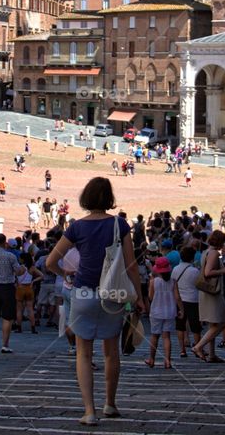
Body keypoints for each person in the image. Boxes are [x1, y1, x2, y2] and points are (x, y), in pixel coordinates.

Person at [46, 177, 146, 426]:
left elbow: (50, 262)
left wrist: (66, 274)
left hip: (82, 294)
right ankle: (110, 404)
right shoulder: (119, 224)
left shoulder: (77, 227)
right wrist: (140, 296)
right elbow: (131, 265)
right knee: (111, 353)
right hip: (112, 295)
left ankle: (89, 411)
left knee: (83, 353)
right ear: (108, 198)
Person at [191, 230, 225, 363]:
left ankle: (212, 354)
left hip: (206, 292)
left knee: (213, 323)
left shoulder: (206, 251)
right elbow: (208, 273)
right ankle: (198, 347)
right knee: (222, 322)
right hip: (212, 292)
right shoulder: (214, 253)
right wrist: (224, 270)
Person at [144, 256, 182, 369]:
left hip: (156, 311)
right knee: (167, 337)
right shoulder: (173, 282)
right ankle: (167, 361)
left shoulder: (153, 282)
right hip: (170, 311)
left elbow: (150, 297)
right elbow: (177, 298)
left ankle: (152, 359)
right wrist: (181, 310)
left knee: (154, 336)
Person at [172, 245, 202, 358]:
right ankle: (198, 347)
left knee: (180, 325)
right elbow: (198, 284)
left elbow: (173, 285)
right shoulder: (194, 271)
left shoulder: (175, 269)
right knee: (195, 325)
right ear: (192, 258)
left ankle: (182, 350)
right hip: (193, 299)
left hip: (179, 300)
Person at [15, 252, 42, 334]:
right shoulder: (32, 268)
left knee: (19, 310)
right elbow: (41, 275)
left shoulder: (19, 268)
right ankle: (33, 328)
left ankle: (19, 328)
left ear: (22, 259)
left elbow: (14, 277)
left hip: (20, 288)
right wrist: (33, 281)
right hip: (29, 288)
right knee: (30, 309)